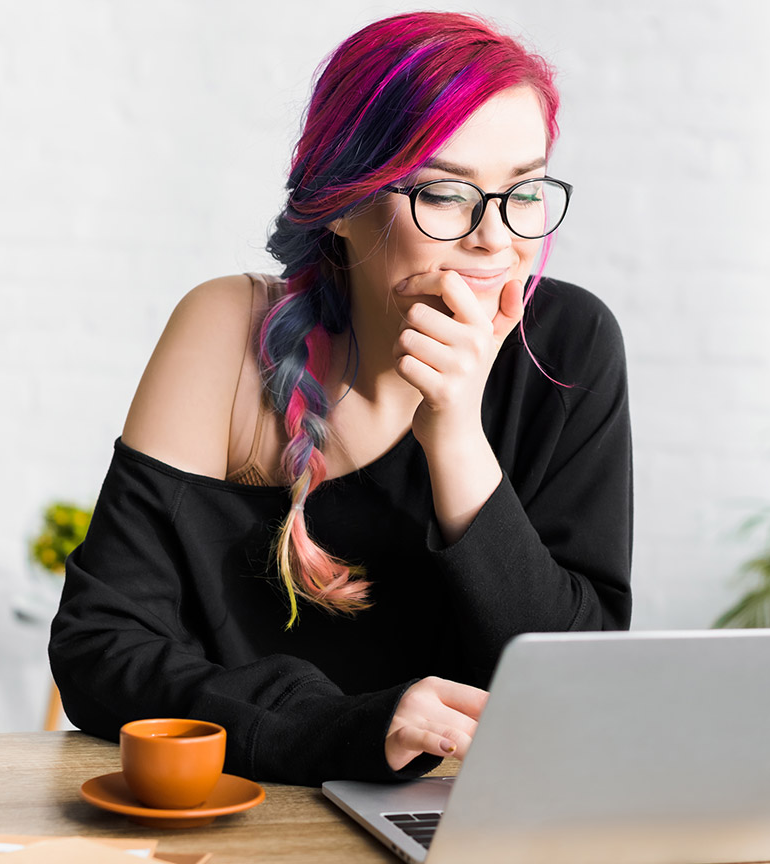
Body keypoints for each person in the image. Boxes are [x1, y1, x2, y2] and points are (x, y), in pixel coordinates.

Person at [49, 11, 632, 787]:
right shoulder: (226, 333)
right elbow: (101, 650)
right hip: (241, 816)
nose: (497, 239)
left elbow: (579, 690)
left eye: (522, 190)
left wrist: (456, 437)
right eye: (447, 194)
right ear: (344, 204)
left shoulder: (569, 346)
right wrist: (341, 728)